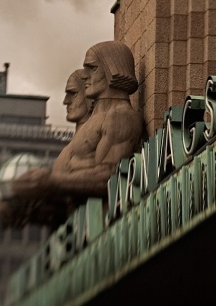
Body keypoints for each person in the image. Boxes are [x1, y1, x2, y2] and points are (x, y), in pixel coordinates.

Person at [0, 41, 145, 228]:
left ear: (113, 69)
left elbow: (110, 177)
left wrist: (50, 182)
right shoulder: (90, 124)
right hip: (79, 229)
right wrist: (23, 207)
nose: (84, 75)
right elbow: (67, 201)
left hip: (102, 226)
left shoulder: (120, 116)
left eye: (92, 68)